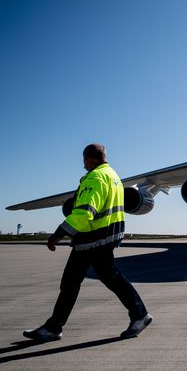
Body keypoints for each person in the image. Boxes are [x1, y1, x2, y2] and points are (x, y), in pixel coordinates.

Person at [23, 143, 152, 341]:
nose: (83, 164)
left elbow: (84, 213)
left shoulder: (95, 177)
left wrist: (58, 234)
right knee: (98, 279)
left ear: (88, 158)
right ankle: (55, 326)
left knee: (76, 282)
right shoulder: (113, 176)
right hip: (102, 237)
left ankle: (139, 314)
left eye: (84, 160)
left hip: (93, 238)